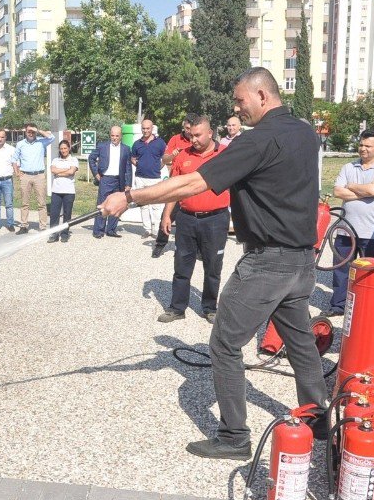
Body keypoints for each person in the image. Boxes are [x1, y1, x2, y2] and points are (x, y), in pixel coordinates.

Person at [100, 68, 329, 460]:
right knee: (301, 344)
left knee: (224, 344)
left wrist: (131, 197)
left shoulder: (257, 141)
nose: (236, 109)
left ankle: (234, 436)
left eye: (240, 100)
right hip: (301, 260)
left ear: (261, 95)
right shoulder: (305, 132)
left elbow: (193, 183)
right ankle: (318, 418)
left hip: (267, 263)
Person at [157, 114, 229, 325]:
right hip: (187, 219)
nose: (193, 140)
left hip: (216, 220)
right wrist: (166, 215)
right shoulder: (182, 156)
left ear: (210, 133)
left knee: (213, 265)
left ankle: (209, 307)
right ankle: (177, 307)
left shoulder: (225, 154)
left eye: (198, 135)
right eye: (190, 135)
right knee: (182, 264)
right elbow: (174, 188)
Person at [323, 130, 374, 317]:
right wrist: (366, 191)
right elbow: (338, 192)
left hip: (370, 231)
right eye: (361, 144)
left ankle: (366, 305)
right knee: (341, 269)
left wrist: (352, 186)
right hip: (345, 229)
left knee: (369, 271)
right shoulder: (349, 167)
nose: (363, 149)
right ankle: (338, 305)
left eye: (368, 146)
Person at [151, 115, 196, 257]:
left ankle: (198, 250)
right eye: (187, 128)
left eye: (191, 128)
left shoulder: (198, 140)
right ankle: (160, 244)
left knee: (196, 218)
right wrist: (172, 155)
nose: (189, 132)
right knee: (168, 215)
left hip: (192, 184)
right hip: (176, 185)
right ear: (183, 127)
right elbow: (164, 159)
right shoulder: (175, 139)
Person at [88, 126, 132, 239]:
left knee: (117, 204)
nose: (114, 138)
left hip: (120, 180)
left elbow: (128, 167)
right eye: (112, 135)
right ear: (110, 135)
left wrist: (128, 184)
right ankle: (98, 230)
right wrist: (96, 174)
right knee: (102, 204)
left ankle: (111, 230)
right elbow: (91, 158)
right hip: (106, 179)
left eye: (117, 136)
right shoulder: (102, 146)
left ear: (121, 136)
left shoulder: (126, 149)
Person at [12, 123, 55, 234]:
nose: (30, 134)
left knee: (41, 203)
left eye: (32, 132)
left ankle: (43, 226)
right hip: (25, 176)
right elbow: (14, 159)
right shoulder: (20, 144)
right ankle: (24, 226)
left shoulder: (41, 142)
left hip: (39, 176)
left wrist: (38, 129)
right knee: (25, 203)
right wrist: (17, 172)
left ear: (35, 132)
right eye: (28, 131)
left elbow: (52, 137)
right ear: (25, 132)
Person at [131, 119, 169, 242]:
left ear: (152, 129)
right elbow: (132, 158)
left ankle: (155, 230)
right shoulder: (137, 144)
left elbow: (165, 158)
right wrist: (140, 164)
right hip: (140, 178)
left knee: (156, 206)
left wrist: (159, 167)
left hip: (155, 179)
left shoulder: (160, 143)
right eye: (143, 128)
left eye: (148, 128)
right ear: (141, 129)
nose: (145, 130)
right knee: (143, 205)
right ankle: (147, 229)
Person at [48, 140, 79, 243]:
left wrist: (59, 172)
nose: (63, 150)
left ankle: (65, 234)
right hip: (56, 191)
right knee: (54, 214)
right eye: (61, 148)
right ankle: (54, 234)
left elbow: (71, 171)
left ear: (69, 148)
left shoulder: (74, 160)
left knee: (67, 214)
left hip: (69, 191)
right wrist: (66, 170)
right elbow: (53, 170)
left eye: (65, 148)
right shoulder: (55, 160)